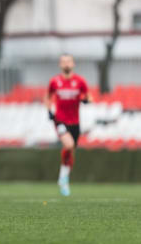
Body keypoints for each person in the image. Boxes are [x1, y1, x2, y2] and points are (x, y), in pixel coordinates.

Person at [45, 54, 90, 196]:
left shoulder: (80, 81)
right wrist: (49, 110)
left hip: (75, 122)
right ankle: (63, 178)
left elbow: (88, 96)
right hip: (60, 120)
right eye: (63, 62)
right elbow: (47, 96)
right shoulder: (55, 82)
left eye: (68, 61)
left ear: (73, 64)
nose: (66, 64)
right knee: (69, 145)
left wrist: (86, 100)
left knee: (70, 152)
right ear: (60, 64)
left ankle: (64, 178)